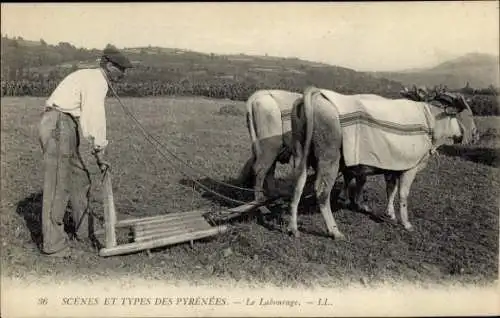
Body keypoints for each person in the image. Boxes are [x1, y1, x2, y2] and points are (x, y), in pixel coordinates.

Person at [38, 47, 133, 257]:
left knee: (79, 177)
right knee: (57, 186)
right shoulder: (97, 81)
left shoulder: (94, 78)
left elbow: (86, 118)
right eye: (121, 69)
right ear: (109, 65)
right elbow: (94, 118)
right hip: (58, 124)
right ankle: (54, 245)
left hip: (67, 125)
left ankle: (85, 230)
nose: (123, 75)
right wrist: (100, 152)